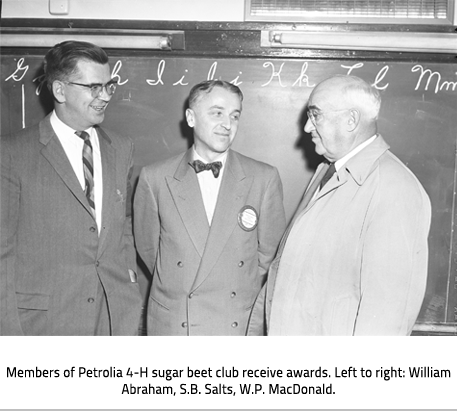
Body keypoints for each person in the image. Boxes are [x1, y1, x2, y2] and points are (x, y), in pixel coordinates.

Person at [248, 75, 432, 337]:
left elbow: (386, 317)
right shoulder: (326, 172)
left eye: (316, 115)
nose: (308, 128)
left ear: (351, 120)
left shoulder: (395, 188)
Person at [0, 41, 142, 336]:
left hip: (112, 318)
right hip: (45, 322)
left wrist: (128, 279)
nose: (104, 97)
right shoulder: (11, 153)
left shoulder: (121, 147)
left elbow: (123, 223)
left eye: (109, 86)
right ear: (60, 90)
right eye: (93, 87)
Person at [134, 80, 286, 336]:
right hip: (177, 322)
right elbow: (151, 253)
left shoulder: (263, 178)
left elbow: (268, 257)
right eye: (217, 113)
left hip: (236, 320)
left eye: (234, 116)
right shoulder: (155, 178)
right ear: (191, 118)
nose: (227, 124)